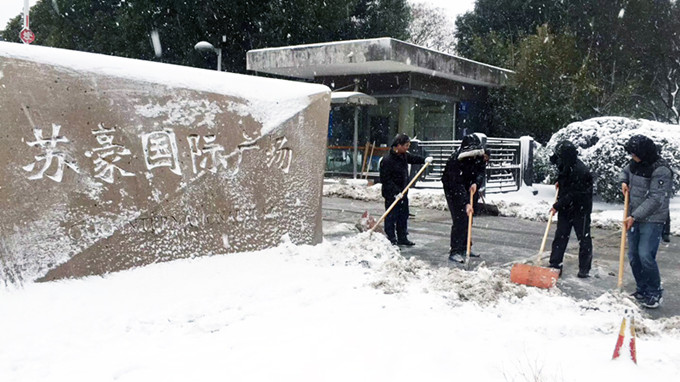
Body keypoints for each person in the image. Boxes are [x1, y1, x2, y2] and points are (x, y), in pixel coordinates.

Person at [620, 134, 672, 309]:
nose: (632, 157)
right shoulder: (636, 163)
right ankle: (642, 289)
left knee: (645, 256)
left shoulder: (661, 170)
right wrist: (624, 181)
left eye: (635, 154)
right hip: (634, 215)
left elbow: (656, 199)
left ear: (644, 152)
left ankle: (654, 292)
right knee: (634, 256)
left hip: (653, 218)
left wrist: (635, 216)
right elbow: (626, 170)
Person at [547, 141, 594, 278]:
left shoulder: (581, 171)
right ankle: (555, 264)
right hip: (566, 208)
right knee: (560, 236)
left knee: (584, 239)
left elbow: (574, 194)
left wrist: (557, 205)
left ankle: (584, 269)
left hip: (581, 209)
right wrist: (559, 182)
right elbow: (563, 175)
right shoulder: (565, 163)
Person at [379, 134, 432, 246]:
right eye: (406, 145)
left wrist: (424, 160)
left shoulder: (403, 155)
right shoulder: (387, 160)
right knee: (391, 216)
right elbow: (385, 179)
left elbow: (413, 158)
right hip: (391, 194)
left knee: (403, 215)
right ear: (398, 145)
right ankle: (391, 238)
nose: (408, 148)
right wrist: (395, 192)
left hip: (403, 192)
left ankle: (402, 237)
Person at [441, 134, 486, 263]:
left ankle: (466, 247)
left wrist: (476, 183)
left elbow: (481, 172)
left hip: (470, 187)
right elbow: (456, 184)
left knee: (469, 219)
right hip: (453, 189)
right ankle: (455, 250)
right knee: (459, 219)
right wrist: (465, 203)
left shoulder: (478, 157)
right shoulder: (455, 161)